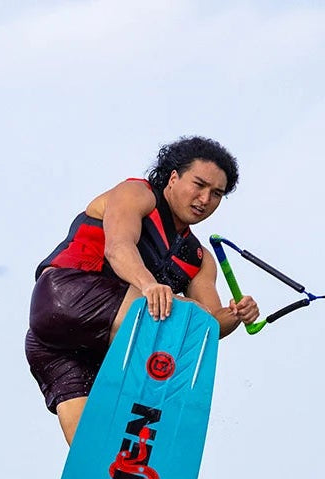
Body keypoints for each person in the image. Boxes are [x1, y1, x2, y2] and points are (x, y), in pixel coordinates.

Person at [25, 135, 261, 445]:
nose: (205, 199)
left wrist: (237, 314)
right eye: (199, 185)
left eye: (216, 194)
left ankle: (113, 471)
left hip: (69, 349)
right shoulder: (137, 194)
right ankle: (154, 422)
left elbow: (209, 326)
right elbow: (118, 247)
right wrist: (150, 284)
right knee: (174, 316)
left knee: (96, 448)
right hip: (66, 297)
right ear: (173, 177)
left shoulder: (200, 260)